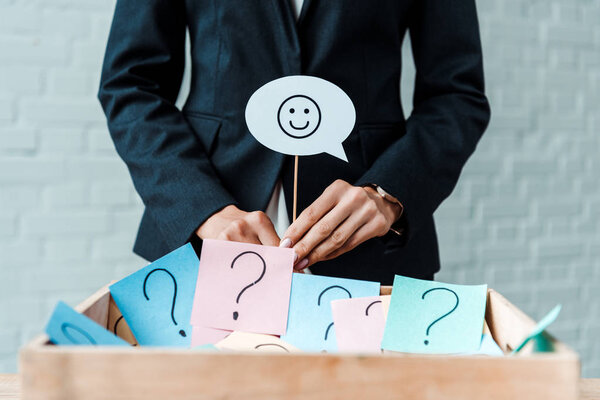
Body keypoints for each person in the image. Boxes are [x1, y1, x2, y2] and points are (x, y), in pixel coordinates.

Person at [98, 0, 490, 285]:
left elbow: (456, 96)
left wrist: (388, 193)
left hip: (371, 252)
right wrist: (203, 212)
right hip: (205, 244)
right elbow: (131, 85)